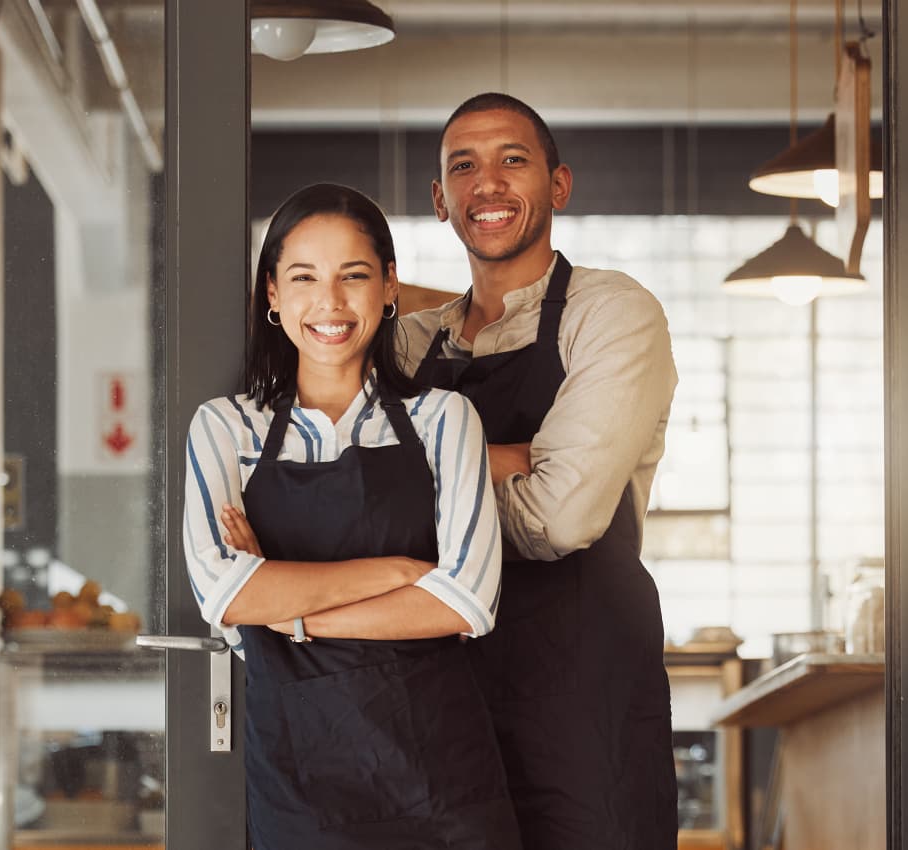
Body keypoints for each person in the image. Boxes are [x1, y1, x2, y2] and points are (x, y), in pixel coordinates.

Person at [183, 183, 522, 850]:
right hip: (301, 789)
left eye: (354, 276)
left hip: (442, 785)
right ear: (273, 294)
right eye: (304, 276)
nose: (330, 302)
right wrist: (397, 573)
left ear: (389, 287)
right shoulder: (226, 428)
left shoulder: (442, 420)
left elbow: (467, 602)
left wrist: (291, 615)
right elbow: (223, 592)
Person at [398, 93, 680, 850]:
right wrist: (508, 460)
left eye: (511, 160)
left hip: (585, 698)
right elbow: (344, 487)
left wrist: (421, 475)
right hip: (443, 688)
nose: (487, 184)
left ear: (558, 186)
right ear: (439, 200)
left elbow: (561, 519)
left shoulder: (612, 313)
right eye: (464, 166)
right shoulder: (406, 344)